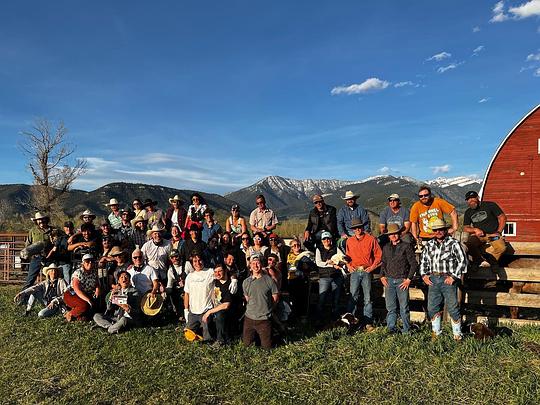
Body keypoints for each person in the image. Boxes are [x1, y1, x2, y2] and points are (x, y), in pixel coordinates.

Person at [419, 218, 467, 341]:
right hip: (433, 278)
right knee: (432, 307)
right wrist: (424, 275)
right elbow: (423, 261)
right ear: (433, 231)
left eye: (441, 229)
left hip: (448, 279)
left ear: (445, 230)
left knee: (453, 307)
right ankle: (436, 333)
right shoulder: (429, 245)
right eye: (436, 230)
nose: (438, 232)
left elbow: (462, 261)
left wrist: (453, 276)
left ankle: (457, 335)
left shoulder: (453, 243)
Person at [380, 224, 418, 334]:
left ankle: (406, 330)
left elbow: (414, 264)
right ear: (388, 236)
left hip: (402, 280)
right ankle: (391, 329)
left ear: (399, 234)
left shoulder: (406, 246)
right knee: (390, 307)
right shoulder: (386, 247)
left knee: (404, 307)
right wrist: (382, 276)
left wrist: (408, 279)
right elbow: (383, 263)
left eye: (395, 233)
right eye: (391, 234)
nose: (393, 236)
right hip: (389, 280)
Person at [345, 217, 382, 330]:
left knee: (368, 298)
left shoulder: (371, 239)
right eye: (355, 228)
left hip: (366, 271)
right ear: (352, 229)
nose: (357, 229)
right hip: (355, 271)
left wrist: (372, 267)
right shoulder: (349, 241)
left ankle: (368, 323)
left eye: (359, 227)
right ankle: (350, 322)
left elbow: (379, 255)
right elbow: (347, 257)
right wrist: (348, 266)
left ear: (362, 227)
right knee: (353, 296)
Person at [242, 255, 279, 349]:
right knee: (247, 345)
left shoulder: (269, 280)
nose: (255, 265)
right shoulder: (246, 282)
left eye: (257, 263)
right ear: (250, 266)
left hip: (264, 319)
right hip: (249, 318)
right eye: (253, 263)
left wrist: (268, 309)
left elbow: (275, 298)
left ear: (261, 265)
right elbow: (247, 299)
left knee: (267, 347)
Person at [463, 190, 507, 267]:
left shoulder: (490, 205)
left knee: (501, 248)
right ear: (467, 201)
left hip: (492, 236)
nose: (471, 200)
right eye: (469, 199)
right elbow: (465, 228)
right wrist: (475, 230)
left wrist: (498, 232)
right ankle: (480, 261)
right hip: (478, 237)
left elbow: (502, 217)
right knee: (468, 244)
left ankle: (489, 262)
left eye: (473, 198)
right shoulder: (468, 212)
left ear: (478, 197)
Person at [183, 253, 215, 342]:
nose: (198, 263)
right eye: (195, 261)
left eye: (199, 260)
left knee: (208, 338)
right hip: (193, 312)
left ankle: (208, 334)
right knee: (189, 335)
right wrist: (186, 310)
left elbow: (224, 272)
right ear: (192, 263)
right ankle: (200, 329)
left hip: (206, 310)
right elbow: (186, 294)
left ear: (203, 260)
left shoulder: (210, 272)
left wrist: (234, 279)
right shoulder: (189, 276)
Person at [22, 212, 56, 290]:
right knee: (30, 279)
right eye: (38, 220)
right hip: (36, 257)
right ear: (36, 221)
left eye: (42, 219)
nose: (41, 221)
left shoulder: (53, 230)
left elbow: (57, 242)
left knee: (52, 277)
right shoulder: (33, 231)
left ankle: (51, 294)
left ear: (46, 220)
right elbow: (28, 244)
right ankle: (24, 295)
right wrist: (29, 254)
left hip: (49, 257)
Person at [315, 231, 344, 322]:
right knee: (322, 298)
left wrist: (336, 262)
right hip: (324, 277)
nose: (326, 240)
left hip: (336, 276)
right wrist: (331, 264)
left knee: (336, 299)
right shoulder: (318, 249)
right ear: (321, 241)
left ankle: (335, 320)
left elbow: (342, 258)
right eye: (324, 239)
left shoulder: (336, 249)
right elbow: (318, 263)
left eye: (328, 239)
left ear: (331, 239)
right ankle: (319, 319)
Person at [63, 253, 100, 322]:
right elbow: (76, 289)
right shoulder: (78, 272)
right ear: (83, 263)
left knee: (94, 308)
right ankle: (70, 314)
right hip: (72, 294)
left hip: (86, 294)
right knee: (84, 305)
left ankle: (79, 316)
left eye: (92, 261)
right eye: (87, 261)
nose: (90, 263)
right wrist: (87, 300)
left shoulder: (94, 272)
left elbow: (97, 283)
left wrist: (97, 290)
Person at [202, 265, 233, 346]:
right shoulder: (216, 281)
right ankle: (212, 337)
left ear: (225, 271)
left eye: (220, 271)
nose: (217, 274)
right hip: (216, 307)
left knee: (219, 315)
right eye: (215, 272)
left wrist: (209, 311)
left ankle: (221, 340)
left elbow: (226, 305)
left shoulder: (230, 284)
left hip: (228, 312)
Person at [166, 249, 188, 320]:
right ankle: (178, 313)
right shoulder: (170, 270)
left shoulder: (187, 265)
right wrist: (165, 291)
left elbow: (194, 276)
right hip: (178, 291)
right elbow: (169, 285)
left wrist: (186, 282)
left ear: (180, 256)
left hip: (189, 288)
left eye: (176, 256)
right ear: (170, 259)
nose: (175, 259)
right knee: (170, 292)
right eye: (172, 257)